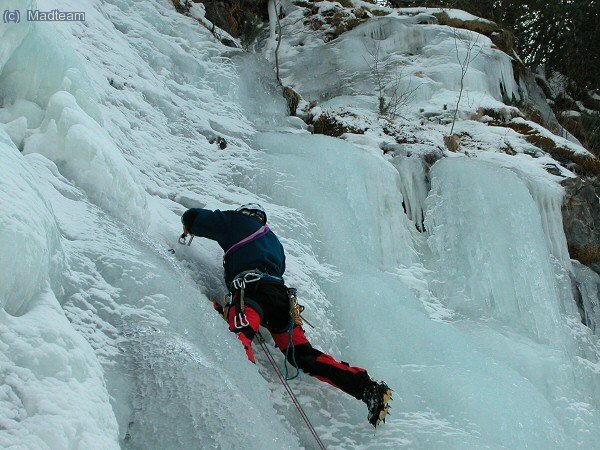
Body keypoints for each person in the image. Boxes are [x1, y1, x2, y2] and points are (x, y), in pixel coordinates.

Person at [181, 203, 392, 427]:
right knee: (303, 356)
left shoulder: (238, 222)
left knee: (240, 338)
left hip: (252, 292)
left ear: (246, 215)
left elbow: (194, 218)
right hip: (281, 301)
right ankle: (367, 388)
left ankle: (241, 409)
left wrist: (187, 225)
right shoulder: (274, 243)